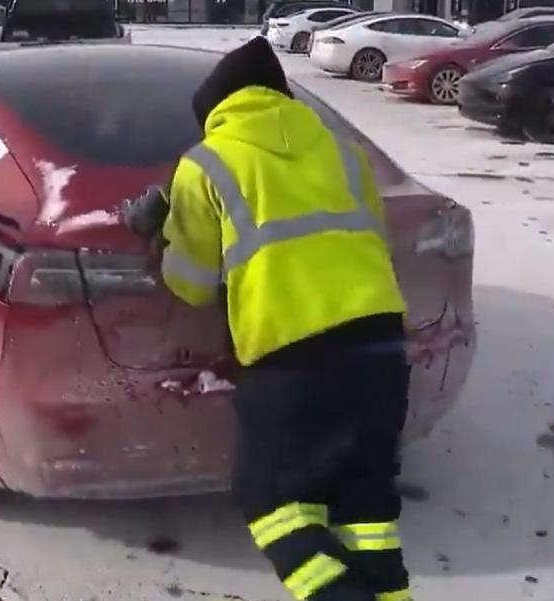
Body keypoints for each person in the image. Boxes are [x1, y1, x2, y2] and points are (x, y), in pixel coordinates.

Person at [122, 37, 413, 601]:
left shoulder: (206, 162)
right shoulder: (343, 151)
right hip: (381, 351)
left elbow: (193, 284)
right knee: (365, 507)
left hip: (294, 360)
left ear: (216, 112)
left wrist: (158, 238)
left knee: (270, 505)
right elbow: (372, 239)